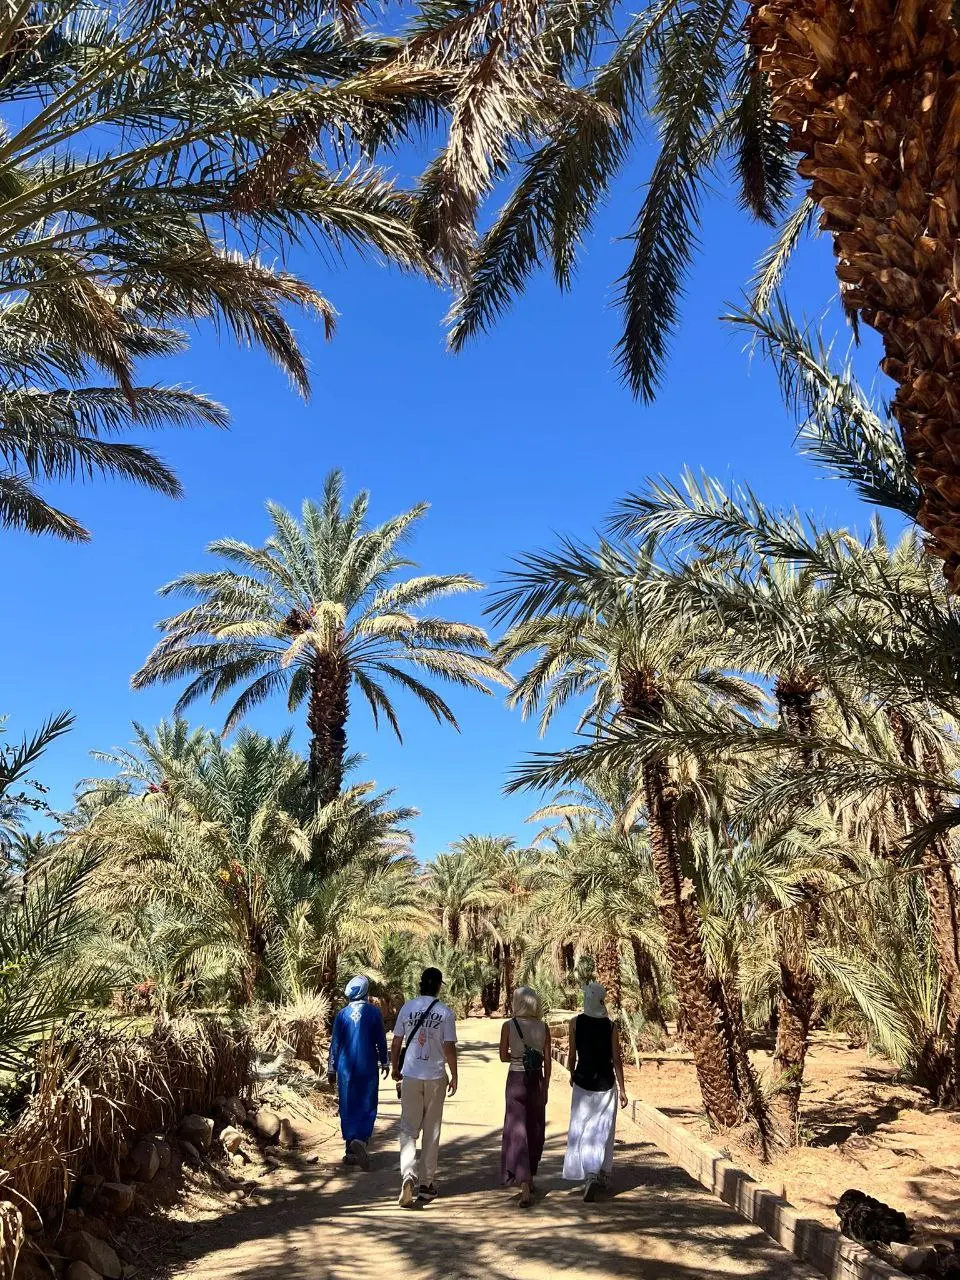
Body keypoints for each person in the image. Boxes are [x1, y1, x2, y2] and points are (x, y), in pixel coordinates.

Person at [390, 966, 458, 1208]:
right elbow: (449, 1047)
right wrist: (455, 1074)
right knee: (432, 1131)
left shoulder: (407, 1008)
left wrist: (395, 1067)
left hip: (410, 1076)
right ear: (438, 986)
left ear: (421, 984)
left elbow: (396, 1041)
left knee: (408, 1129)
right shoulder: (445, 1012)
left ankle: (408, 1174)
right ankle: (427, 1185)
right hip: (435, 1077)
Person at [562, 982, 628, 1201]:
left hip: (582, 1084)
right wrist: (624, 1089)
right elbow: (616, 1059)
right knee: (603, 1129)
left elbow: (572, 1056)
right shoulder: (611, 1027)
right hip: (606, 1085)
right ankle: (600, 1173)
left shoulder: (575, 1023)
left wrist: (572, 1074)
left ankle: (590, 1174)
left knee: (581, 1127)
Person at [327, 975, 389, 1170]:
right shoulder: (373, 1013)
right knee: (367, 1102)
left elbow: (335, 1044)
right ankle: (361, 1141)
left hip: (346, 1069)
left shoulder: (342, 1015)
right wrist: (385, 1062)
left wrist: (331, 1068)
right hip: (367, 1066)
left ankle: (350, 1148)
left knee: (347, 1104)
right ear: (366, 992)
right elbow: (380, 1038)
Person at [499, 986, 551, 1208]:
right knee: (534, 1126)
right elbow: (548, 1061)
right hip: (536, 1080)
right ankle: (530, 1174)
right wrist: (546, 1086)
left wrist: (518, 1056)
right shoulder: (543, 1027)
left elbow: (503, 1056)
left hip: (516, 1080)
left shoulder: (508, 1026)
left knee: (516, 1129)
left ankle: (524, 1181)